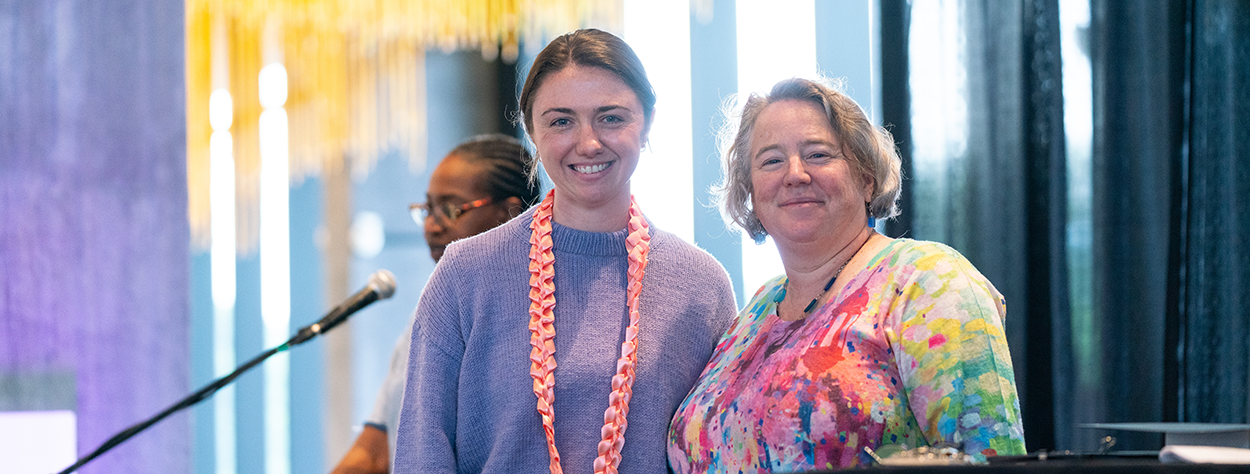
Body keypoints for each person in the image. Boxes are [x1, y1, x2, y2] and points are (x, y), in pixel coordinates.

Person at [392, 29, 738, 474]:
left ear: (647, 122)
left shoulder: (700, 285)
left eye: (611, 118)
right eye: (561, 121)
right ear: (532, 131)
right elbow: (423, 453)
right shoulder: (465, 274)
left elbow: (719, 452)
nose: (588, 142)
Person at [667, 77, 1027, 472]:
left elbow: (990, 460)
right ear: (751, 192)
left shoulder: (927, 282)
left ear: (866, 175)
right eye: (771, 160)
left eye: (818, 155)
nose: (795, 174)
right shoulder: (755, 313)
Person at [331, 134, 540, 474]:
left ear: (510, 213)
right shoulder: (426, 317)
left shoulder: (535, 316)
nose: (432, 226)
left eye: (450, 209)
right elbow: (373, 454)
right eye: (428, 209)